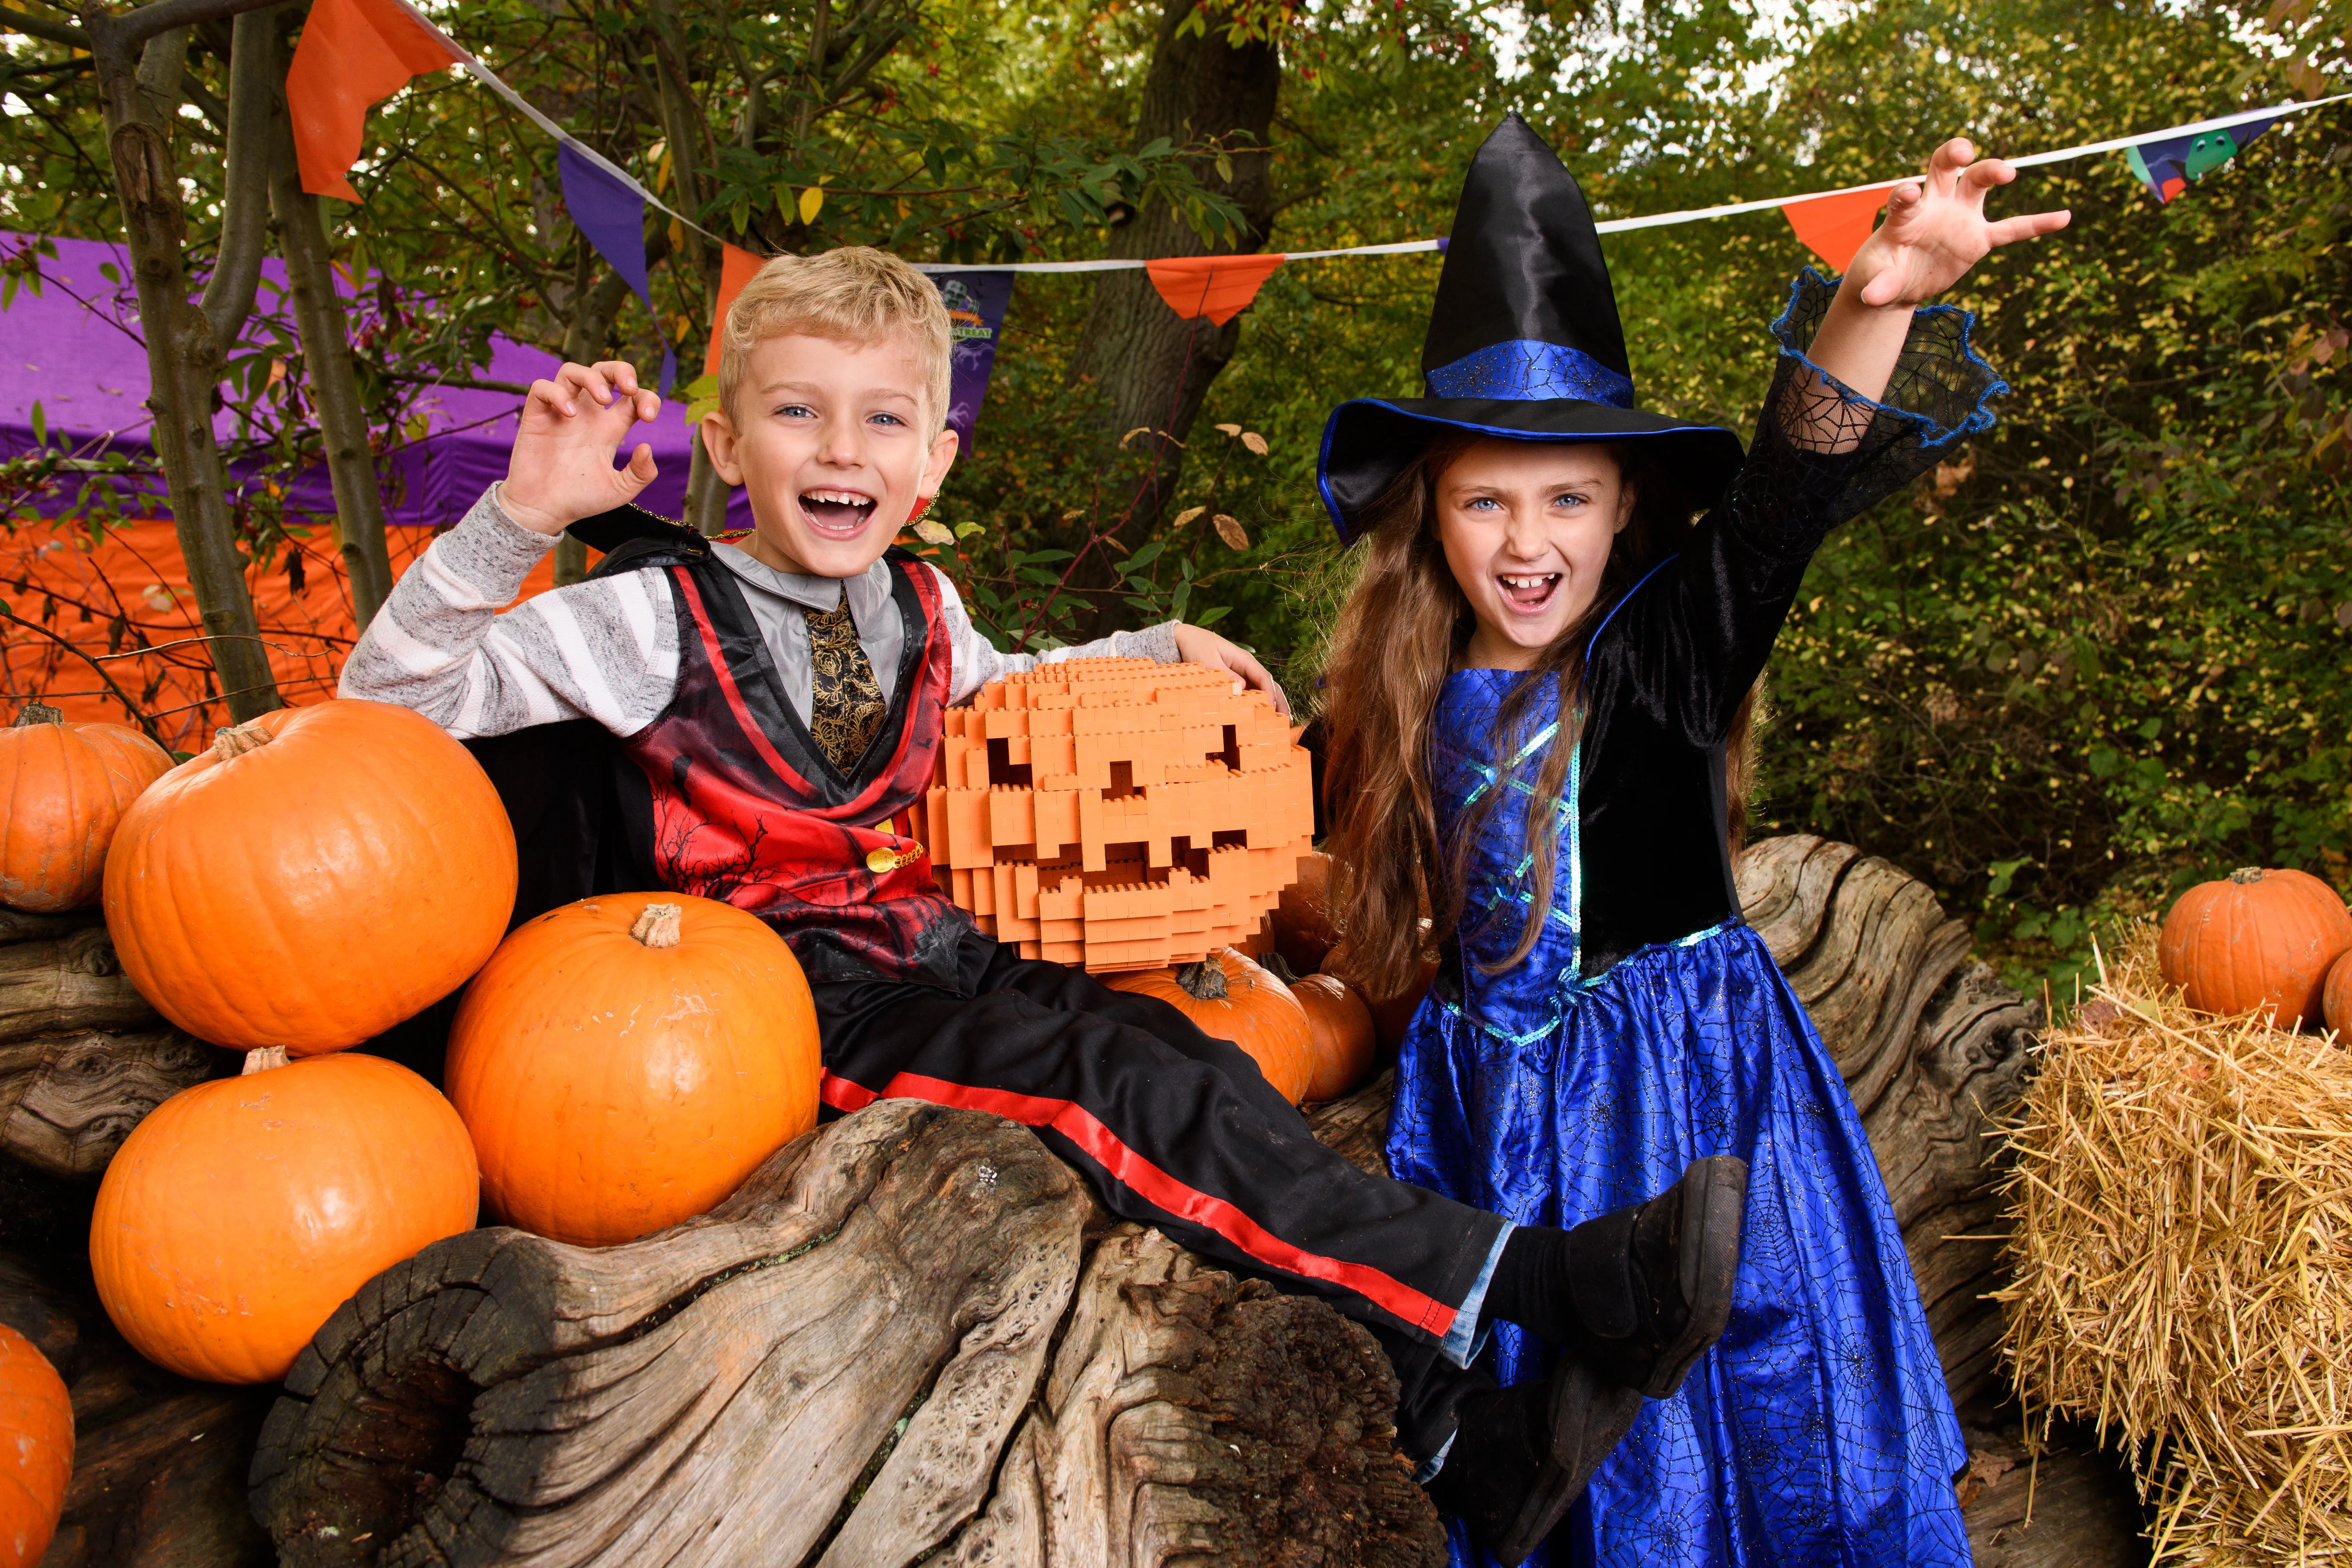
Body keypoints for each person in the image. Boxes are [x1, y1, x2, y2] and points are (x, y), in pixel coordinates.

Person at [337, 242, 1750, 1558]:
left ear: (935, 457)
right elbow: (384, 707)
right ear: (726, 445)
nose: (843, 451)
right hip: (786, 1008)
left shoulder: (923, 609)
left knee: (1198, 1062)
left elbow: (1016, 685)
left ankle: (1450, 1438)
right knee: (1109, 1089)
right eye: (798, 415)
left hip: (952, 955)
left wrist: (1154, 644)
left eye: (885, 421)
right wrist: (524, 509)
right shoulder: (648, 620)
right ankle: (1543, 1288)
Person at [1315, 116, 2067, 1566]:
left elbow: (1782, 499)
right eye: (1487, 500)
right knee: (1549, 1457)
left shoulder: (1662, 654)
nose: (1527, 541)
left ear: (1622, 512)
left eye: (1567, 500)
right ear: (1432, 516)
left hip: (1685, 1105)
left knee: (1748, 1413)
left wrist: (1875, 303)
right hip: (1486, 1127)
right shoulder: (1404, 691)